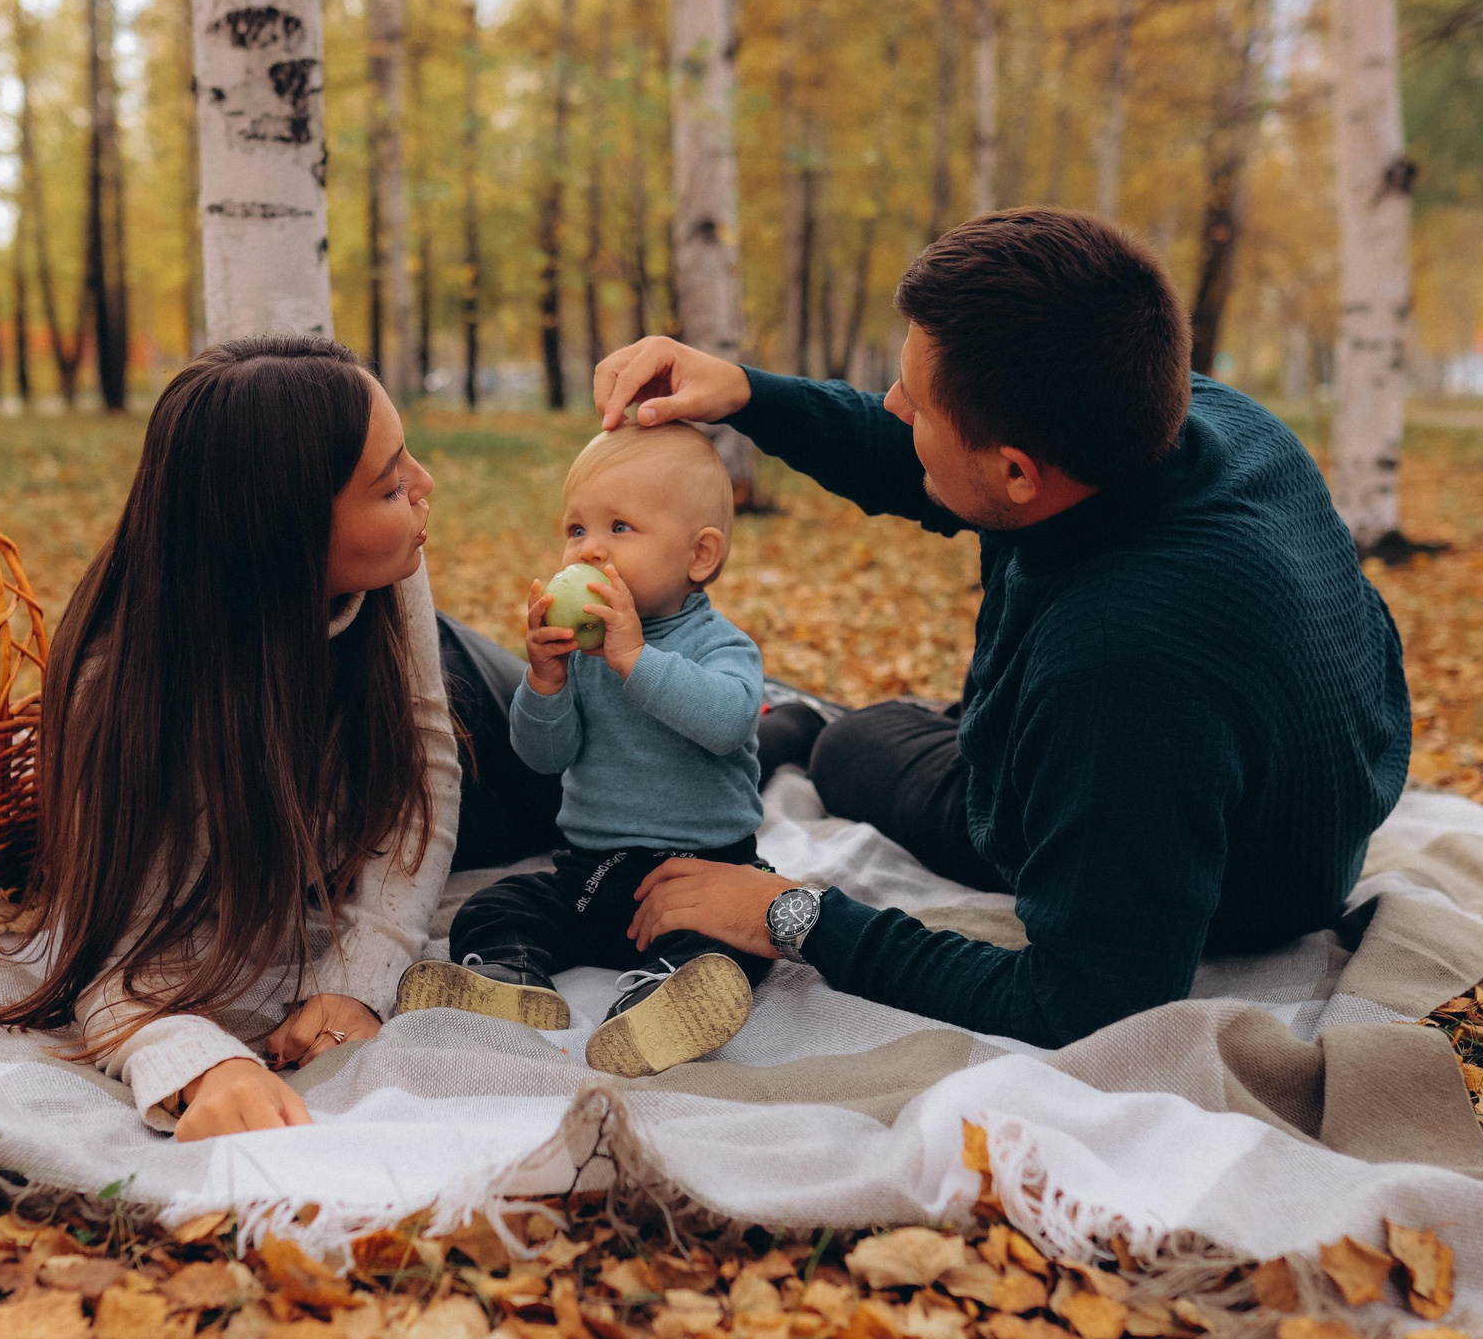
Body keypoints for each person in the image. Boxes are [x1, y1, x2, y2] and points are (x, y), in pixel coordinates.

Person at [595, 208, 1412, 1050]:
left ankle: (802, 721)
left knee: (853, 746)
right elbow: (929, 461)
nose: (892, 404)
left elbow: (1089, 1002)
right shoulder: (1200, 419)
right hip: (1279, 805)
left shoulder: (1117, 660)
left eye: (917, 403)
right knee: (917, 721)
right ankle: (817, 716)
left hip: (1227, 887)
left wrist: (789, 912)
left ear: (1019, 473)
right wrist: (749, 393)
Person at [0, 336, 553, 1139]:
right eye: (391, 484)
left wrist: (360, 977)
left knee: (609, 761)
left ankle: (772, 719)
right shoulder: (121, 689)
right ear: (284, 532)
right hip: (338, 731)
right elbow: (117, 960)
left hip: (483, 725)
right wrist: (204, 1063)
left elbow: (432, 747)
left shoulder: (394, 563)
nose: (426, 486)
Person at [396, 422, 773, 1077]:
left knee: (742, 935)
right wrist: (544, 684)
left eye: (619, 528)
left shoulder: (719, 645)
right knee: (494, 907)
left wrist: (634, 657)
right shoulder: (583, 652)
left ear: (700, 555)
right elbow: (544, 756)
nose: (588, 552)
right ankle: (513, 985)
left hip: (701, 875)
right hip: (593, 875)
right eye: (577, 530)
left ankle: (662, 1000)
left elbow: (728, 720)